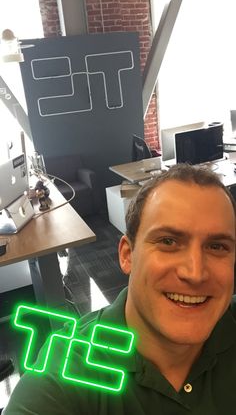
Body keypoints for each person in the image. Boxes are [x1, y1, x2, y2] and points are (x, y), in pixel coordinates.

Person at [3, 163, 236, 414]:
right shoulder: (63, 378)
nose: (195, 272)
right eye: (168, 241)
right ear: (127, 255)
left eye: (217, 246)